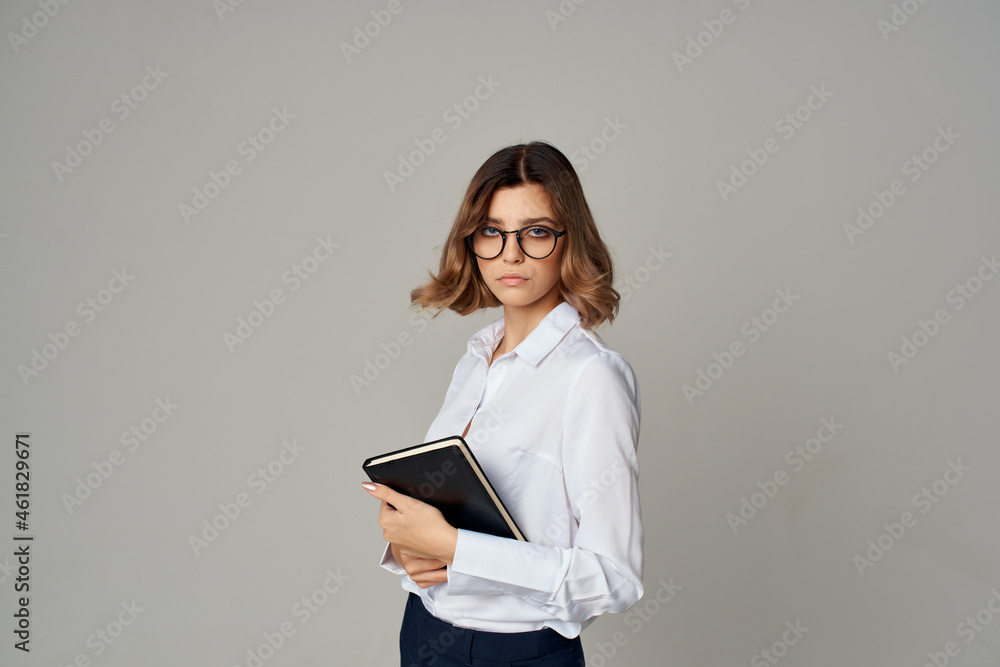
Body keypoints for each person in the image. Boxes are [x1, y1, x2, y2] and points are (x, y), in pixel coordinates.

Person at [361, 141, 643, 666]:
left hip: (514, 651)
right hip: (424, 631)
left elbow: (613, 578)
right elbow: (461, 512)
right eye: (492, 231)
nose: (511, 254)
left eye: (536, 232)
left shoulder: (592, 376)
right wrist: (409, 547)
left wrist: (454, 549)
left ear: (570, 241)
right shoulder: (476, 358)